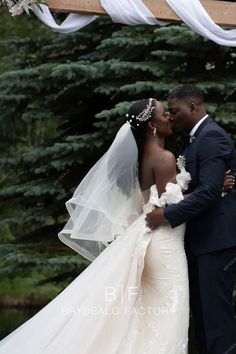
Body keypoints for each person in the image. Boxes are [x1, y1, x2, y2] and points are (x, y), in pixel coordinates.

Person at [0, 97, 233, 354]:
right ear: (152, 126)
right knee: (169, 311)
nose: (169, 117)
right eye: (164, 114)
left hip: (156, 240)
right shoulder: (164, 158)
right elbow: (170, 205)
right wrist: (214, 188)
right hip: (166, 244)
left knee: (149, 315)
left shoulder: (146, 156)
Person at [146, 85, 236, 354]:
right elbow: (206, 187)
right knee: (202, 317)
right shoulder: (194, 140)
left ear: (194, 107)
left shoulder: (211, 137)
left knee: (216, 319)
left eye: (175, 111)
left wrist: (167, 215)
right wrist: (215, 186)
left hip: (216, 243)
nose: (171, 117)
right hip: (201, 242)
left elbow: (208, 192)